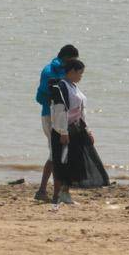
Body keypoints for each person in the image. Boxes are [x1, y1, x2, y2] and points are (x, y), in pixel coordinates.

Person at [34, 44, 80, 201]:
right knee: (55, 154)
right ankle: (48, 192)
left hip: (63, 117)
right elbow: (40, 96)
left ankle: (49, 191)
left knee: (58, 154)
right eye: (73, 61)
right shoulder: (50, 72)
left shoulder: (64, 71)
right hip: (51, 115)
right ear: (67, 58)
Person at [46, 58, 93, 208]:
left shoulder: (74, 87)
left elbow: (81, 110)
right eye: (80, 73)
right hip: (63, 131)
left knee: (73, 163)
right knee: (61, 163)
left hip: (76, 129)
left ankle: (66, 193)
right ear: (72, 71)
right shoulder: (62, 87)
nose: (81, 76)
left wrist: (87, 130)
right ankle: (57, 195)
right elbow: (60, 110)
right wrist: (63, 132)